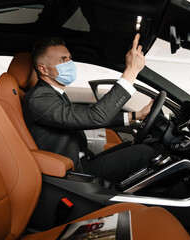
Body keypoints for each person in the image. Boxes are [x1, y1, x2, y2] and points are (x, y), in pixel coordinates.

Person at [23, 34, 157, 183]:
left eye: (69, 58)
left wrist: (136, 115)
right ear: (44, 69)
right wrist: (131, 72)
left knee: (131, 145)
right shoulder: (39, 98)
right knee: (144, 154)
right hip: (71, 175)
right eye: (62, 59)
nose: (70, 62)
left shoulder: (53, 94)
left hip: (82, 161)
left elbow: (85, 117)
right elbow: (96, 116)